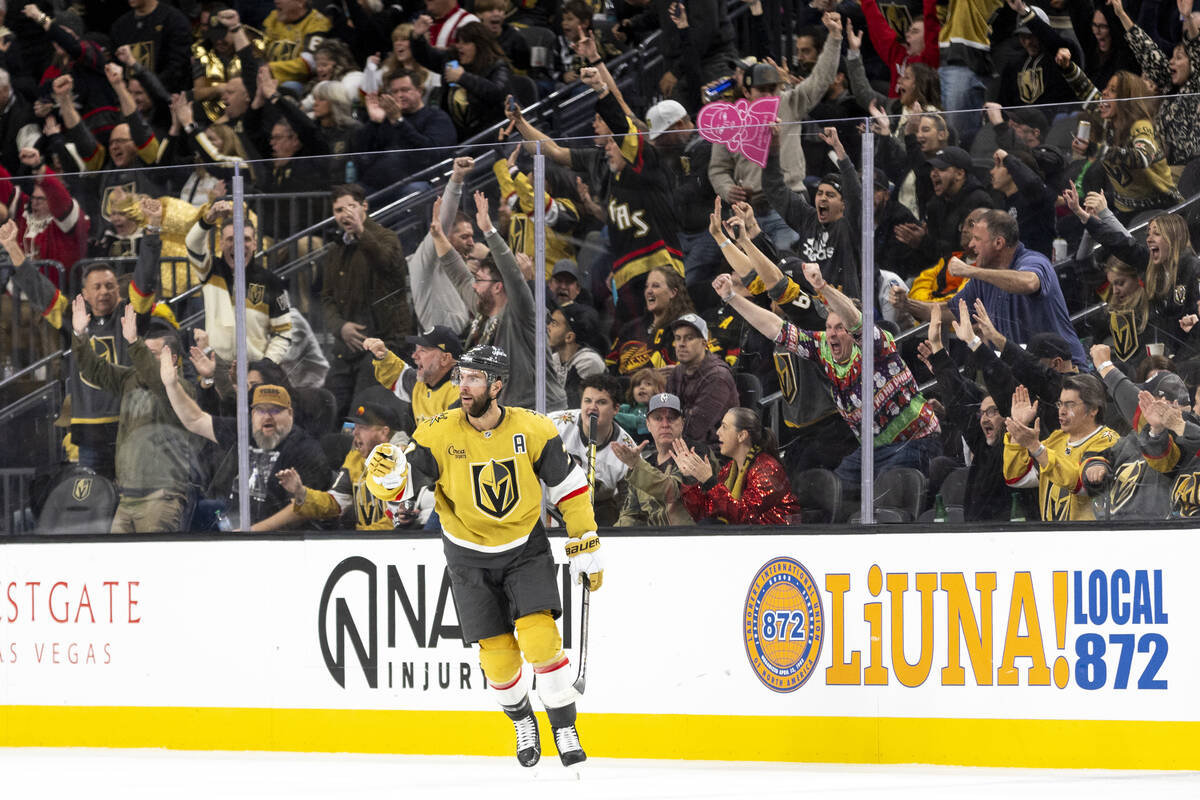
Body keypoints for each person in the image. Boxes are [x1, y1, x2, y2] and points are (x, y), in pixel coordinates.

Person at [362, 345, 602, 768]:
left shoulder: (534, 429)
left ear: (497, 384)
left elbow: (569, 486)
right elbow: (403, 491)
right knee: (497, 657)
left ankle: (564, 726)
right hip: (467, 556)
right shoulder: (436, 432)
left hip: (524, 548)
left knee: (539, 637)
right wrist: (390, 480)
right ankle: (522, 720)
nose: (463, 386)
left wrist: (584, 541)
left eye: (473, 378)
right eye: (461, 377)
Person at [715, 262, 942, 489]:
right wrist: (731, 297)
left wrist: (821, 286)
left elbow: (856, 321)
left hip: (916, 441)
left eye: (839, 328)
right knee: (833, 491)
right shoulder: (823, 346)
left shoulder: (877, 345)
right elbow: (776, 328)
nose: (832, 334)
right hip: (872, 450)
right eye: (829, 327)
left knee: (882, 490)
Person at [897, 210, 1087, 367]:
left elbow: (1029, 282)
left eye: (977, 239)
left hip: (1064, 369)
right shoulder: (983, 278)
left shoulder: (1033, 261)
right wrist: (907, 304)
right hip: (1025, 371)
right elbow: (948, 311)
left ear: (999, 243)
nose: (971, 245)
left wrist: (970, 271)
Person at [70, 299, 196, 533]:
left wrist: (134, 343)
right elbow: (93, 369)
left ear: (174, 360)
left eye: (152, 354)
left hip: (162, 497)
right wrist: (80, 334)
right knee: (119, 569)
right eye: (142, 353)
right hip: (127, 498)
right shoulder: (130, 379)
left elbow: (158, 382)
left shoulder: (182, 391)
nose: (142, 359)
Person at [158, 368, 330, 532]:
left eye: (275, 410)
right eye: (261, 410)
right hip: (235, 527)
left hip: (277, 539)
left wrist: (251, 533)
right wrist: (172, 386)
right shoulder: (243, 431)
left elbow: (301, 509)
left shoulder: (306, 449)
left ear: (290, 413)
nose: (267, 416)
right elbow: (195, 420)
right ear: (252, 414)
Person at [321, 183, 411, 420]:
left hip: (383, 344)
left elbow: (386, 263)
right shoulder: (335, 251)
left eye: (351, 207)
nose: (345, 214)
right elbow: (327, 299)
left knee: (362, 415)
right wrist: (340, 327)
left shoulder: (387, 238)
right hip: (347, 349)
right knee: (328, 410)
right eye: (339, 210)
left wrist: (361, 232)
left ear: (365, 207)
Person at [1057, 50, 1182, 221]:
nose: (1105, 93)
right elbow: (1086, 91)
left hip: (1158, 210)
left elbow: (1142, 158)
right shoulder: (1109, 122)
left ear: (1127, 98)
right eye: (1106, 88)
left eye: (1113, 90)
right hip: (1125, 208)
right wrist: (1068, 67)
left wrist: (1095, 149)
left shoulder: (1140, 125)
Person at [184, 199, 293, 365]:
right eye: (230, 239)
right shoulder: (211, 270)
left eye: (246, 239)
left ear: (255, 244)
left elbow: (284, 332)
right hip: (217, 366)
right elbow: (192, 244)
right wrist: (209, 218)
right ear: (220, 243)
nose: (239, 244)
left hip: (254, 370)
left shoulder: (271, 281)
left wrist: (266, 364)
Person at [276, 401, 409, 530]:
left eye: (362, 427)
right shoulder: (355, 458)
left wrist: (356, 538)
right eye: (355, 427)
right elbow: (336, 503)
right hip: (365, 541)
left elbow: (396, 520)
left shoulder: (403, 461)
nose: (355, 433)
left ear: (384, 432)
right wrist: (302, 492)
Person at [1003, 377, 1119, 521]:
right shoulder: (1057, 438)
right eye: (1060, 404)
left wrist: (1035, 447)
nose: (1062, 411)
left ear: (1093, 409)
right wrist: (1018, 429)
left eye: (1070, 405)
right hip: (1052, 536)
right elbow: (1017, 478)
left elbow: (1082, 484)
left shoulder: (1108, 440)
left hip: (1088, 538)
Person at [675, 407, 800, 525]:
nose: (718, 432)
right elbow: (704, 514)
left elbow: (744, 517)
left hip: (774, 543)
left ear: (741, 436)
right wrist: (689, 478)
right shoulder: (729, 470)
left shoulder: (767, 470)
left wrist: (710, 482)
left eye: (724, 427)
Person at [613, 391, 716, 526]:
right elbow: (632, 515)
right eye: (658, 418)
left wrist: (636, 465)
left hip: (689, 539)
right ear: (648, 425)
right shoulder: (645, 463)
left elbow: (671, 492)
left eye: (671, 418)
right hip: (652, 541)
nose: (665, 424)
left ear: (682, 423)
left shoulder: (697, 454)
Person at [549, 374, 636, 526]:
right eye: (587, 401)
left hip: (597, 515)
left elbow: (629, 509)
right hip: (550, 509)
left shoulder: (627, 450)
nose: (592, 408)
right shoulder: (555, 424)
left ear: (616, 409)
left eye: (601, 402)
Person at [363, 326, 461, 429]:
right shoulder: (421, 383)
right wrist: (382, 355)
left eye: (423, 350)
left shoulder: (462, 395)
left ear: (445, 358)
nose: (414, 356)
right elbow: (396, 374)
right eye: (416, 349)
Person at [666, 313, 739, 444]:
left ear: (704, 343)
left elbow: (694, 429)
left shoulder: (718, 377)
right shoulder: (676, 373)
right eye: (678, 338)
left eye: (689, 338)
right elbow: (666, 417)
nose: (681, 344)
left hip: (717, 452)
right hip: (682, 447)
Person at [110, 0, 193, 93]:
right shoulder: (120, 26)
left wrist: (150, 88)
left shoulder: (174, 20)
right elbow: (115, 64)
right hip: (130, 98)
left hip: (167, 96)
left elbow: (179, 66)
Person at [549, 303, 606, 408]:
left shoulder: (589, 362)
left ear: (569, 337)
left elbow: (574, 405)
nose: (548, 328)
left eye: (554, 324)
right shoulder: (554, 359)